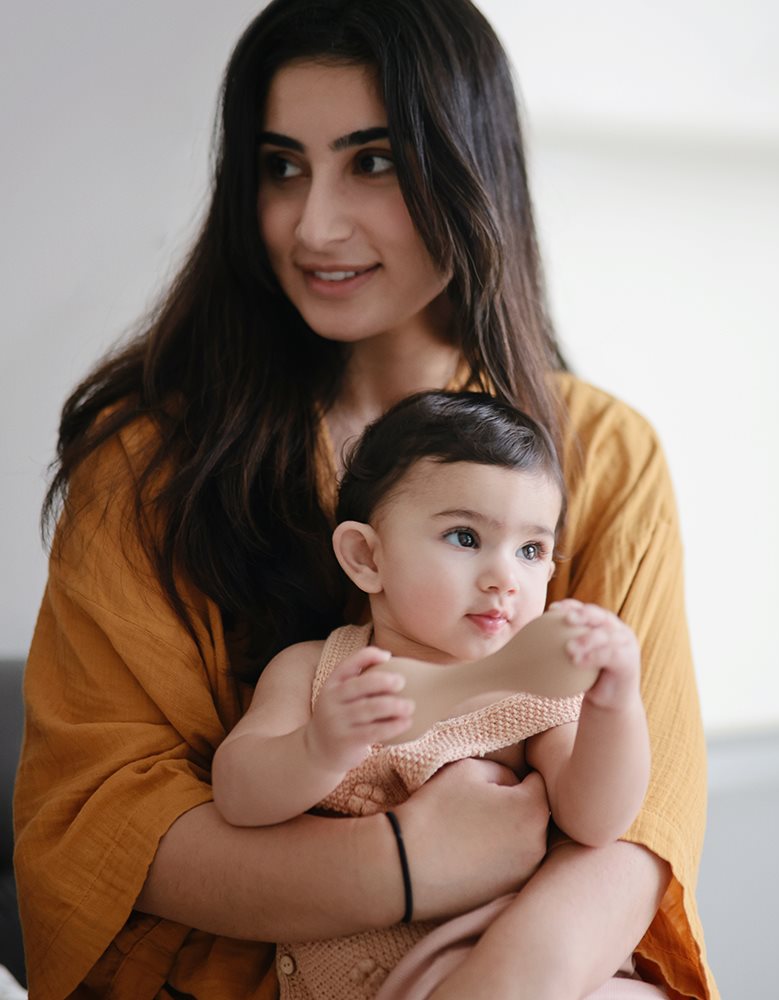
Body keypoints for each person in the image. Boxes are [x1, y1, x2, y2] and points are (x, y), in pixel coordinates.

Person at [13, 1, 717, 998]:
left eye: (373, 161)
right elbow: (101, 821)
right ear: (362, 552)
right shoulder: (148, 461)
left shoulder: (605, 454)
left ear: (471, 173)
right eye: (281, 166)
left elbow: (639, 830)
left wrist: (494, 984)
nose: (314, 225)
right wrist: (405, 861)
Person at [211, 389, 653, 997]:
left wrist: (616, 705)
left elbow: (597, 821)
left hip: (497, 963)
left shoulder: (534, 694)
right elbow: (237, 795)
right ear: (367, 558)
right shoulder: (314, 671)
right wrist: (318, 748)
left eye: (531, 550)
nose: (504, 578)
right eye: (465, 537)